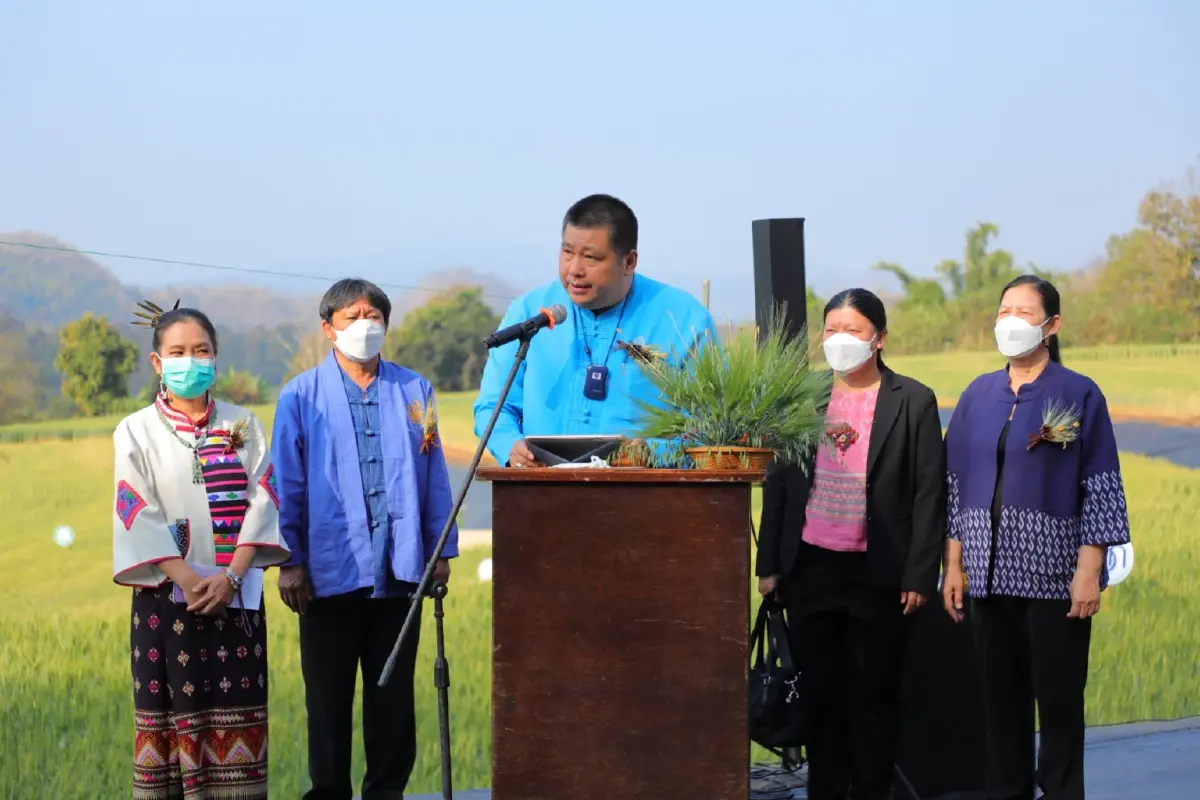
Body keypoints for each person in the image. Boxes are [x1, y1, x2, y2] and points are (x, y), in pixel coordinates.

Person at [941, 275, 1131, 800]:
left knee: (1060, 705)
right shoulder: (978, 394)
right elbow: (954, 483)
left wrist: (1088, 573)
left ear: (1052, 325)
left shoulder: (1077, 393)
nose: (1011, 322)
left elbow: (1101, 485)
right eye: (1005, 310)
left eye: (1024, 313)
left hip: (1054, 580)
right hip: (985, 575)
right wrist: (953, 565)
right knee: (1001, 709)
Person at [271, 278, 459, 800]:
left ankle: (386, 793)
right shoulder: (300, 396)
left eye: (374, 315)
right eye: (352, 316)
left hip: (399, 574)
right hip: (329, 575)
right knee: (328, 704)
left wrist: (439, 547)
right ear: (328, 329)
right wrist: (291, 560)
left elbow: (433, 470)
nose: (365, 325)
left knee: (393, 702)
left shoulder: (414, 391)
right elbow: (286, 483)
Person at [755, 288, 946, 800]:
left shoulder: (913, 400)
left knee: (875, 696)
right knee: (821, 698)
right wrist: (769, 564)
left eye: (854, 331)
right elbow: (779, 484)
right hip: (811, 568)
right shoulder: (804, 396)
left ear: (879, 339)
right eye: (832, 330)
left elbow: (930, 491)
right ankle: (825, 791)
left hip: (879, 572)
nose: (841, 341)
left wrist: (919, 573)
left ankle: (871, 790)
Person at [113, 301, 290, 800]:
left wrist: (231, 576)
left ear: (216, 357)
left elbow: (265, 496)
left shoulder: (243, 425)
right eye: (177, 351)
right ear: (156, 362)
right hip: (167, 603)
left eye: (201, 350)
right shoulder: (136, 430)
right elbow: (134, 509)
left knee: (237, 724)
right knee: (172, 721)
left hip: (236, 603)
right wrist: (189, 579)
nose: (190, 360)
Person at [472, 193, 719, 466]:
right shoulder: (530, 311)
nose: (574, 269)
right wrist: (510, 446)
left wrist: (653, 453)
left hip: (645, 499)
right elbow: (492, 408)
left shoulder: (683, 318)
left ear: (629, 262)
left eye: (591, 258)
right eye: (567, 253)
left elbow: (713, 425)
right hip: (540, 494)